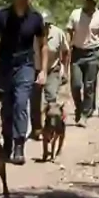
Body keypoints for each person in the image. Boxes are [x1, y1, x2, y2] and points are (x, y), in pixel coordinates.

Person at [0, 0, 48, 165]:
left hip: (25, 65)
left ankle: (19, 146)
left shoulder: (35, 18)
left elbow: (43, 46)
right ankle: (7, 142)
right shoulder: (3, 16)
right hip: (5, 65)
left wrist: (43, 71)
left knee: (21, 103)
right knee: (7, 107)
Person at [65, 0, 99, 124]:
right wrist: (67, 47)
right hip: (77, 53)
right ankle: (78, 108)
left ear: (95, 3)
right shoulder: (75, 14)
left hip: (93, 54)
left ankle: (85, 114)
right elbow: (69, 31)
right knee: (76, 84)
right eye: (87, 1)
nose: (89, 4)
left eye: (92, 1)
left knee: (89, 86)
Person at [30, 9, 70, 139]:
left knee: (51, 98)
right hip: (34, 69)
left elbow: (65, 51)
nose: (44, 27)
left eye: (46, 24)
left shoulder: (58, 33)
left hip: (52, 69)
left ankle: (50, 127)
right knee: (35, 100)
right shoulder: (31, 35)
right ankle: (36, 128)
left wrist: (65, 69)